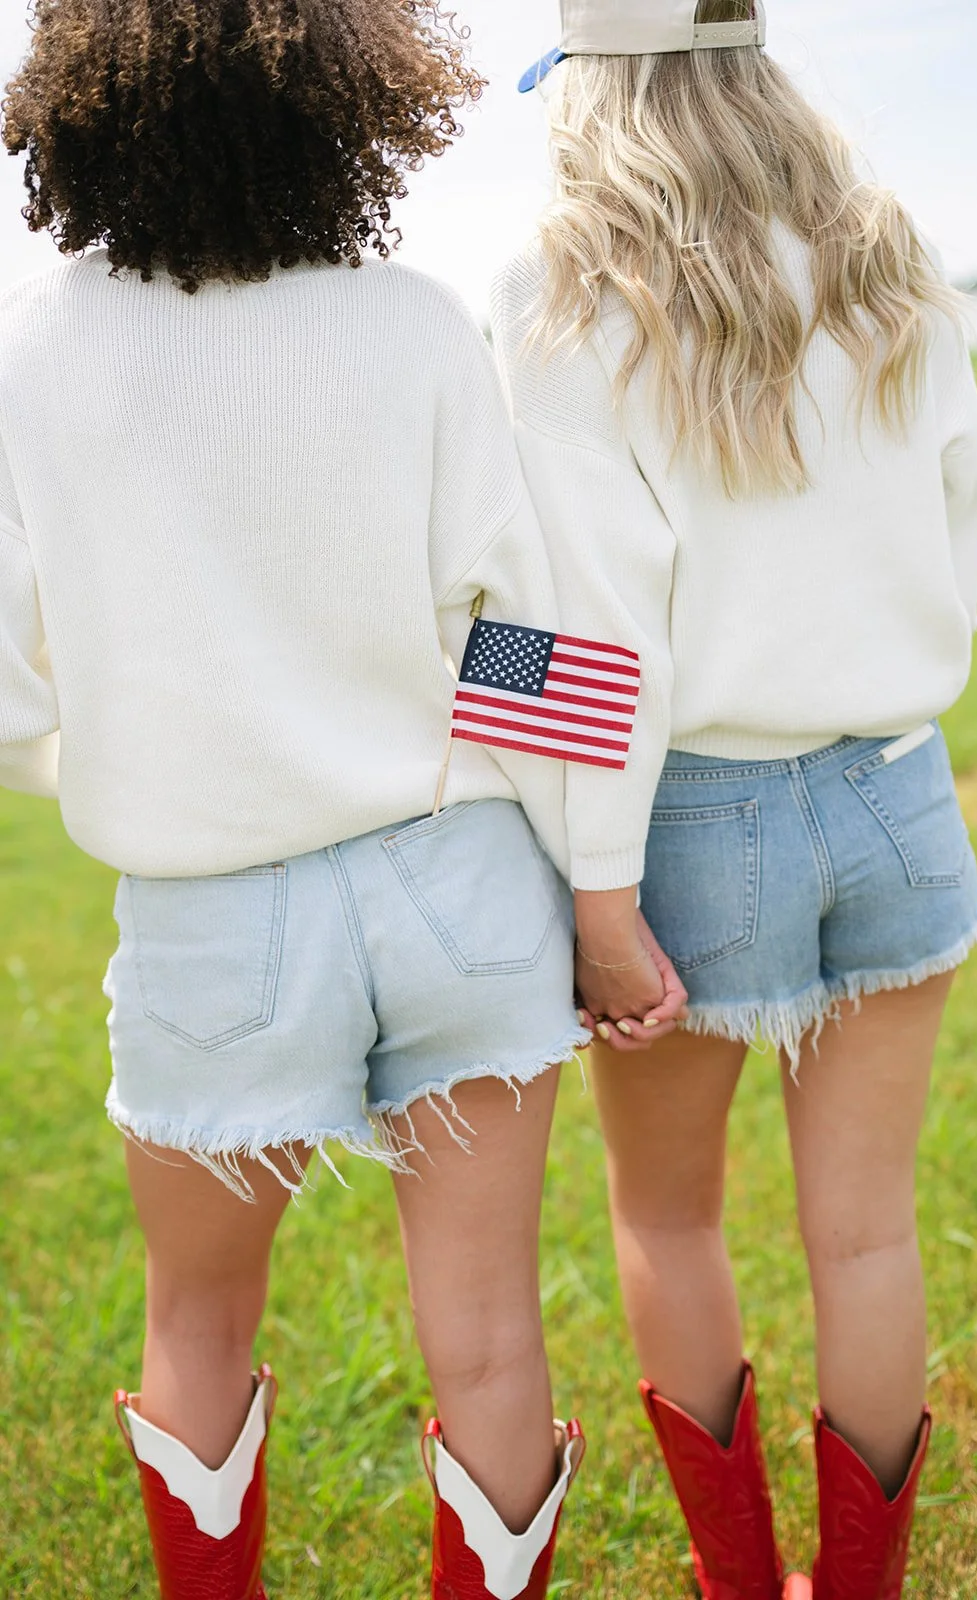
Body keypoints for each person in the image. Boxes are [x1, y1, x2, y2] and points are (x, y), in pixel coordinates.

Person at [0, 2, 662, 1593]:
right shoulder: (418, 321)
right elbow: (522, 640)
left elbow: (18, 702)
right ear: (346, 98)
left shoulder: (33, 353)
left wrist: (154, 761)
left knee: (197, 1321)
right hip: (464, 884)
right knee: (492, 1338)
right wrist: (596, 888)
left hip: (214, 916)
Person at [493, 3, 977, 1596]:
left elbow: (583, 629)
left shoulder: (565, 289)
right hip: (902, 783)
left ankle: (741, 1584)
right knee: (867, 1233)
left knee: (672, 1220)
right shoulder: (883, 244)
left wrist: (594, 888)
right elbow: (959, 509)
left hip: (688, 814)